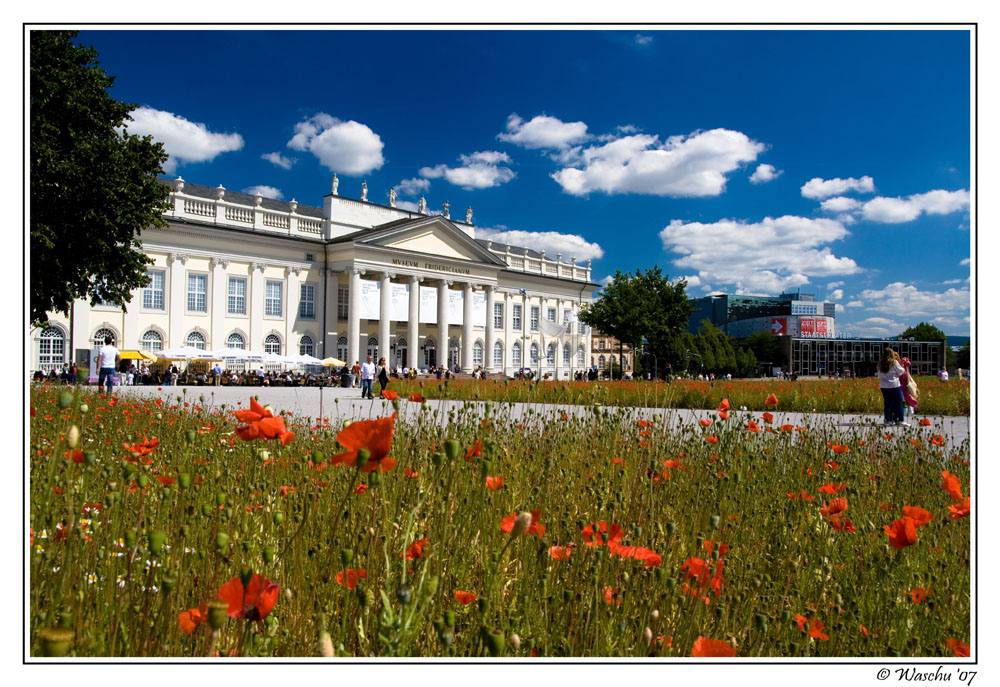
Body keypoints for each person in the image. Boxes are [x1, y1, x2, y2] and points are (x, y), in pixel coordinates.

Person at [878, 348, 907, 425]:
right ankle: (901, 420)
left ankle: (888, 420)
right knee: (898, 402)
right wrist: (903, 365)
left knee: (887, 403)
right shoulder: (894, 362)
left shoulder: (880, 363)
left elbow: (879, 375)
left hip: (883, 385)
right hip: (894, 385)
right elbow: (901, 372)